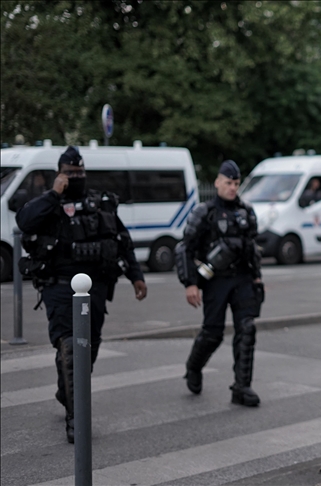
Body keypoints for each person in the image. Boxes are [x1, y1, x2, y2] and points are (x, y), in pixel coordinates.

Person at [15, 146, 147, 443]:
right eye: (69, 173)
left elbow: (122, 241)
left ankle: (67, 392)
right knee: (73, 350)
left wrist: (136, 275)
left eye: (79, 173)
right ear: (59, 173)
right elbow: (24, 222)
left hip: (97, 288)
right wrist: (54, 194)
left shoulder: (98, 203)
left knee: (89, 348)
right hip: (59, 287)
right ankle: (77, 419)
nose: (75, 177)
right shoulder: (47, 203)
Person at [175, 160, 264, 407]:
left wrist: (257, 277)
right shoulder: (204, 212)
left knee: (247, 329)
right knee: (213, 333)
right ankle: (193, 367)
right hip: (216, 281)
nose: (232, 187)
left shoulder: (246, 211)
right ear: (217, 183)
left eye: (236, 183)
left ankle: (242, 387)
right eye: (228, 183)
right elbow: (184, 248)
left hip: (243, 279)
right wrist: (189, 283)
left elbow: (253, 248)